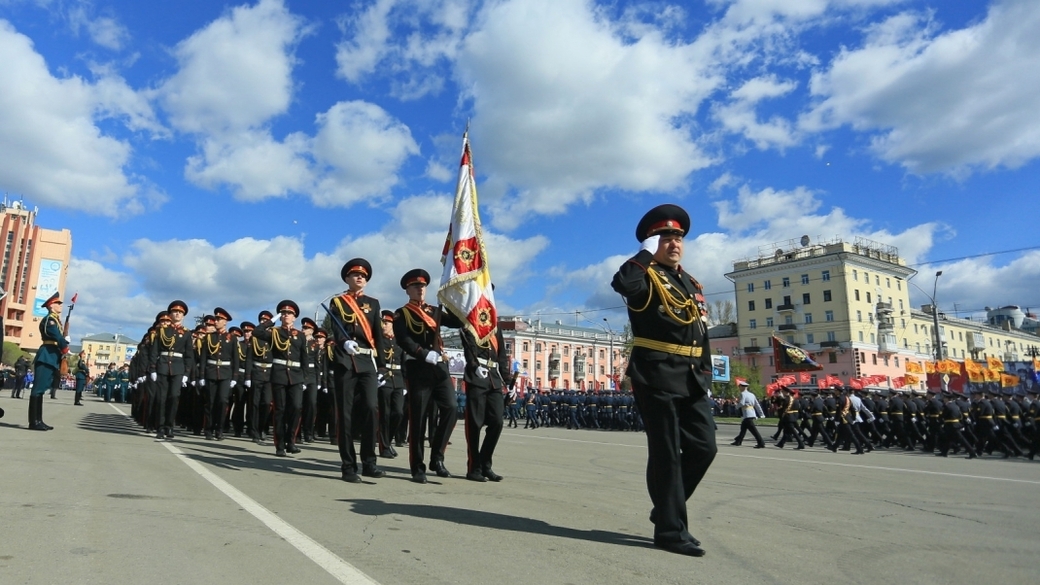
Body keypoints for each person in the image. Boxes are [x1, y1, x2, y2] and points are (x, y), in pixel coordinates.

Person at [610, 203, 716, 558]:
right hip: (655, 373)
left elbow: (700, 331)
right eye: (666, 237)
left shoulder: (689, 282)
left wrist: (706, 371)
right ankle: (670, 530)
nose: (674, 243)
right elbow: (622, 283)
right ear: (654, 242)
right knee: (667, 453)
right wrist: (644, 252)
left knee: (705, 447)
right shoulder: (645, 275)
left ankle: (666, 508)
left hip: (691, 377)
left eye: (678, 237)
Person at [393, 268, 457, 484]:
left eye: (422, 286)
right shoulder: (402, 313)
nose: (420, 289)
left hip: (439, 368)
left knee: (451, 408)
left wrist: (454, 301)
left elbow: (457, 322)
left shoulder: (434, 310)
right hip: (419, 368)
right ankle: (417, 467)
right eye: (415, 286)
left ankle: (437, 458)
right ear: (407, 290)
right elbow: (403, 339)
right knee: (419, 419)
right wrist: (422, 353)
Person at [327, 258, 386, 483]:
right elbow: (336, 326)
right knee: (346, 414)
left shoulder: (374, 303)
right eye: (355, 275)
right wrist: (343, 342)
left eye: (363, 276)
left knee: (371, 408)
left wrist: (381, 366)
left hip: (368, 362)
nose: (360, 278)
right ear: (346, 279)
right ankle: (348, 466)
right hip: (346, 361)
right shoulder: (338, 302)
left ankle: (369, 463)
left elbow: (378, 336)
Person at [254, 300, 308, 457]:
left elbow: (304, 358)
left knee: (296, 408)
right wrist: (272, 320)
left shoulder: (301, 336)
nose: (286, 316)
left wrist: (304, 377)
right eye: (283, 313)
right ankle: (280, 445)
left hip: (296, 376)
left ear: (295, 317)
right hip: (279, 375)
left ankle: (291, 441)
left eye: (289, 314)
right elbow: (257, 332)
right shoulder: (274, 332)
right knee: (280, 410)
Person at [149, 302, 195, 439]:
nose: (177, 314)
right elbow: (155, 351)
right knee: (161, 398)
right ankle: (161, 427)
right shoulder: (162, 331)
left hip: (178, 368)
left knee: (174, 397)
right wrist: (152, 369)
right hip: (163, 366)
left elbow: (189, 355)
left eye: (180, 312)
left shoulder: (186, 333)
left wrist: (187, 373)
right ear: (170, 314)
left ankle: (170, 426)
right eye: (174, 312)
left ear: (183, 316)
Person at [28, 292, 68, 430]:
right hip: (47, 355)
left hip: (52, 355)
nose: (59, 305)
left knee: (41, 389)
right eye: (57, 303)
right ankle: (34, 421)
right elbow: (56, 336)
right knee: (38, 389)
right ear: (51, 306)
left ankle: (39, 420)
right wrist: (64, 346)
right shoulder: (50, 320)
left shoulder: (55, 320)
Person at [200, 307, 240, 441]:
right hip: (211, 372)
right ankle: (209, 429)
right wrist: (202, 376)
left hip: (225, 373)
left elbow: (235, 359)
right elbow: (204, 358)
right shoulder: (209, 338)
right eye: (216, 319)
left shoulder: (232, 338)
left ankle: (220, 429)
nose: (216, 321)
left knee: (223, 401)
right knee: (210, 402)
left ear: (225, 322)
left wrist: (235, 377)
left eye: (219, 319)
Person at [730, 379, 765, 448]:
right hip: (751, 413)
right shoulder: (752, 394)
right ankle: (738, 441)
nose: (739, 388)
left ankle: (761, 443)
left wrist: (736, 406)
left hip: (747, 414)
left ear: (743, 387)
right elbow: (757, 405)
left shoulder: (743, 394)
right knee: (743, 428)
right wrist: (761, 414)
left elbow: (742, 403)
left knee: (753, 430)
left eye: (739, 387)